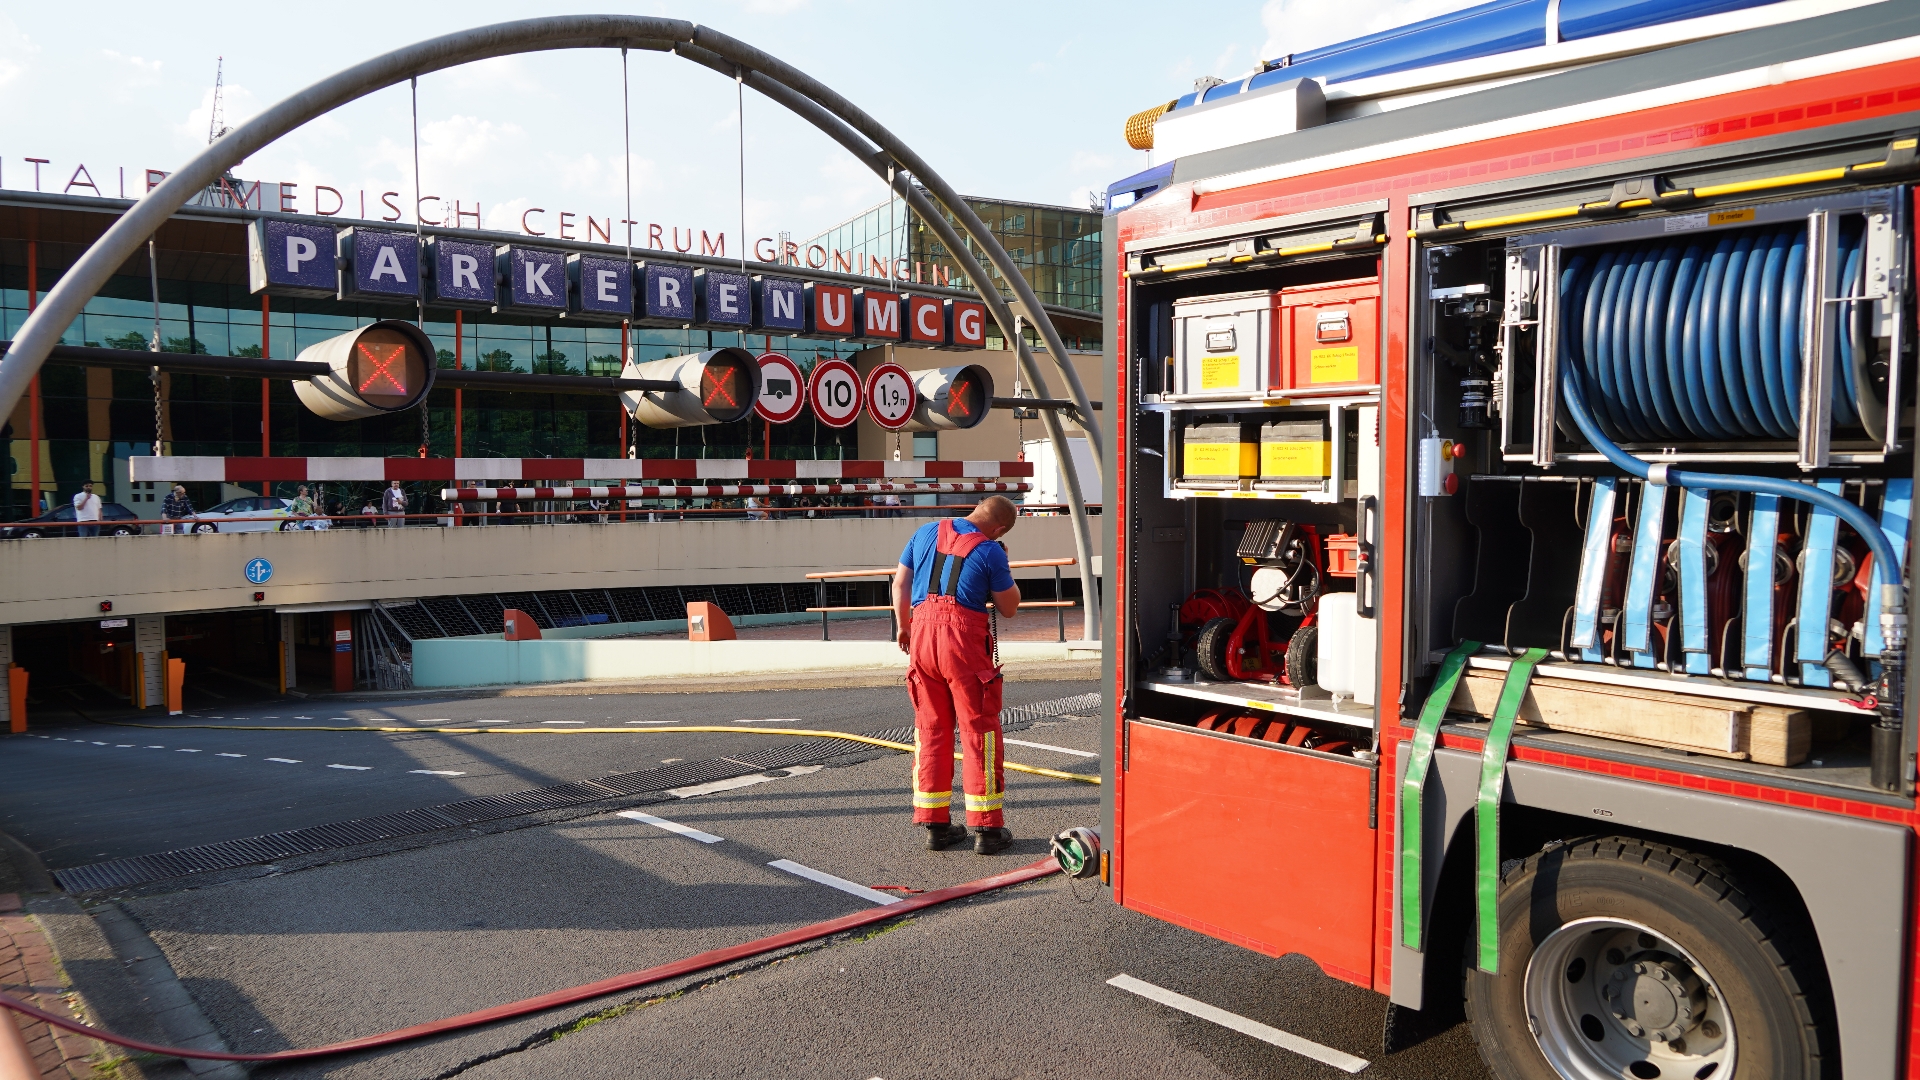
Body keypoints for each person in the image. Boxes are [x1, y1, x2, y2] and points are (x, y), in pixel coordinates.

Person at [891, 496, 1021, 855]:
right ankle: (987, 831)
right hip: (963, 646)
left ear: (977, 508)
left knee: (931, 728)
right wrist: (1002, 560)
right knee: (979, 730)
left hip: (920, 639)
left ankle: (936, 826)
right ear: (998, 529)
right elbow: (1009, 607)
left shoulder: (924, 532)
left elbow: (900, 584)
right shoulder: (990, 550)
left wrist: (904, 626)